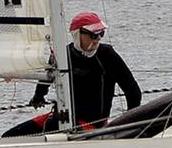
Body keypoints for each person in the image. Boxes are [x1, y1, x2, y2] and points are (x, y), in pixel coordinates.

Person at [14, 11, 142, 131]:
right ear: (77, 34)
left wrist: (129, 124)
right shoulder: (63, 54)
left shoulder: (107, 54)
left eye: (101, 33)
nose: (98, 39)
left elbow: (133, 91)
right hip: (62, 119)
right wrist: (38, 96)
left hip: (91, 126)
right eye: (93, 34)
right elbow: (46, 78)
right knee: (11, 136)